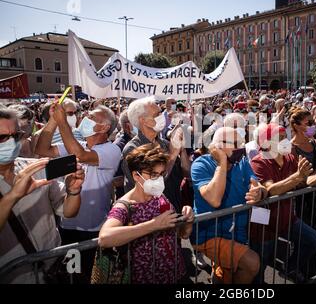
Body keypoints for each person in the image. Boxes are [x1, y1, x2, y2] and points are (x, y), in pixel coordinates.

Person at [34, 103, 121, 283]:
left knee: (89, 276)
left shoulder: (111, 150)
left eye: (92, 117)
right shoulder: (78, 144)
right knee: (70, 274)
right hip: (68, 222)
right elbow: (42, 150)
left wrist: (62, 121)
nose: (85, 118)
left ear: (104, 127)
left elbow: (80, 155)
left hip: (92, 227)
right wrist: (52, 122)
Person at [0, 107, 85, 283]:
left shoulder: (36, 167)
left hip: (55, 267)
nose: (11, 142)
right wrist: (12, 196)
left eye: (16, 135)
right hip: (14, 277)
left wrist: (74, 190)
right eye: (2, 138)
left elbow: (68, 211)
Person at [250, 123, 316, 282]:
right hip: (264, 224)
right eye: (279, 138)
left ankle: (290, 268)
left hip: (287, 218)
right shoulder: (258, 161)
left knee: (314, 239)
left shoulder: (290, 158)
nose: (285, 141)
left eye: (284, 137)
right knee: (261, 264)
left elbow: (305, 180)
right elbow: (270, 190)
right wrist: (297, 177)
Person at [99, 144, 194, 284]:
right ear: (136, 176)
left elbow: (182, 234)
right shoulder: (125, 206)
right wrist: (153, 225)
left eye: (161, 174)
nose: (159, 179)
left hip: (175, 274)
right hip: (144, 278)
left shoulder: (161, 197)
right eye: (154, 175)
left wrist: (188, 220)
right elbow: (105, 238)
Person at [190, 127, 267, 284]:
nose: (241, 147)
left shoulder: (243, 162)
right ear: (218, 146)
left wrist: (260, 192)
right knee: (251, 263)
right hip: (209, 234)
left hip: (237, 232)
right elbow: (214, 199)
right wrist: (222, 162)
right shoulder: (200, 164)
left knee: (227, 272)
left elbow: (257, 185)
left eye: (241, 142)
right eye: (236, 143)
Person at [122, 97, 191, 213]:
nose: (162, 117)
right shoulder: (133, 149)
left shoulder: (165, 144)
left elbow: (187, 173)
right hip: (151, 218)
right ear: (143, 120)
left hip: (174, 211)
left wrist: (182, 150)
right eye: (157, 114)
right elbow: (152, 188)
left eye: (161, 112)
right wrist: (173, 155)